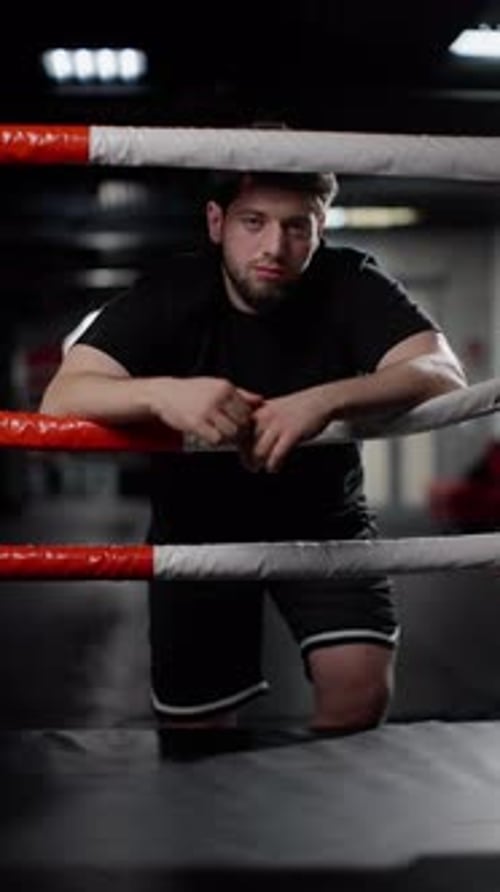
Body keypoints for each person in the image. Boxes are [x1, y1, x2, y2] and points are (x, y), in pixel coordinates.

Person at [40, 168, 466, 733]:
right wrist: (163, 394)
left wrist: (326, 401)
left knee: (358, 696)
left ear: (320, 229)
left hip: (322, 520)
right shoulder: (174, 290)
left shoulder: (349, 279)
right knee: (198, 733)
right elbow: (61, 400)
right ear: (217, 223)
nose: (275, 246)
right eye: (253, 222)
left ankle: (324, 817)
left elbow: (442, 371)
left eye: (298, 227)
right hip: (197, 528)